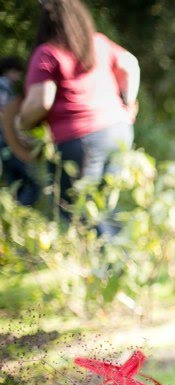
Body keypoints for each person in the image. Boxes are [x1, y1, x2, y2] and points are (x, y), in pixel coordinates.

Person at [18, 0, 139, 227]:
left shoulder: (48, 52)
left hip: (80, 140)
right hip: (118, 130)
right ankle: (117, 259)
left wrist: (20, 124)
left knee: (79, 212)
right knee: (106, 206)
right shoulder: (98, 42)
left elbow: (40, 101)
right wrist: (128, 104)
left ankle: (97, 260)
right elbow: (130, 65)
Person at [0, 57, 40, 206]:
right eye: (17, 72)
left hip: (5, 142)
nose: (19, 77)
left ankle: (15, 210)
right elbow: (4, 114)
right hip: (6, 142)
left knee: (14, 180)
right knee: (28, 178)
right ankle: (21, 208)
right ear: (9, 71)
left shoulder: (7, 87)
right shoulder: (3, 86)